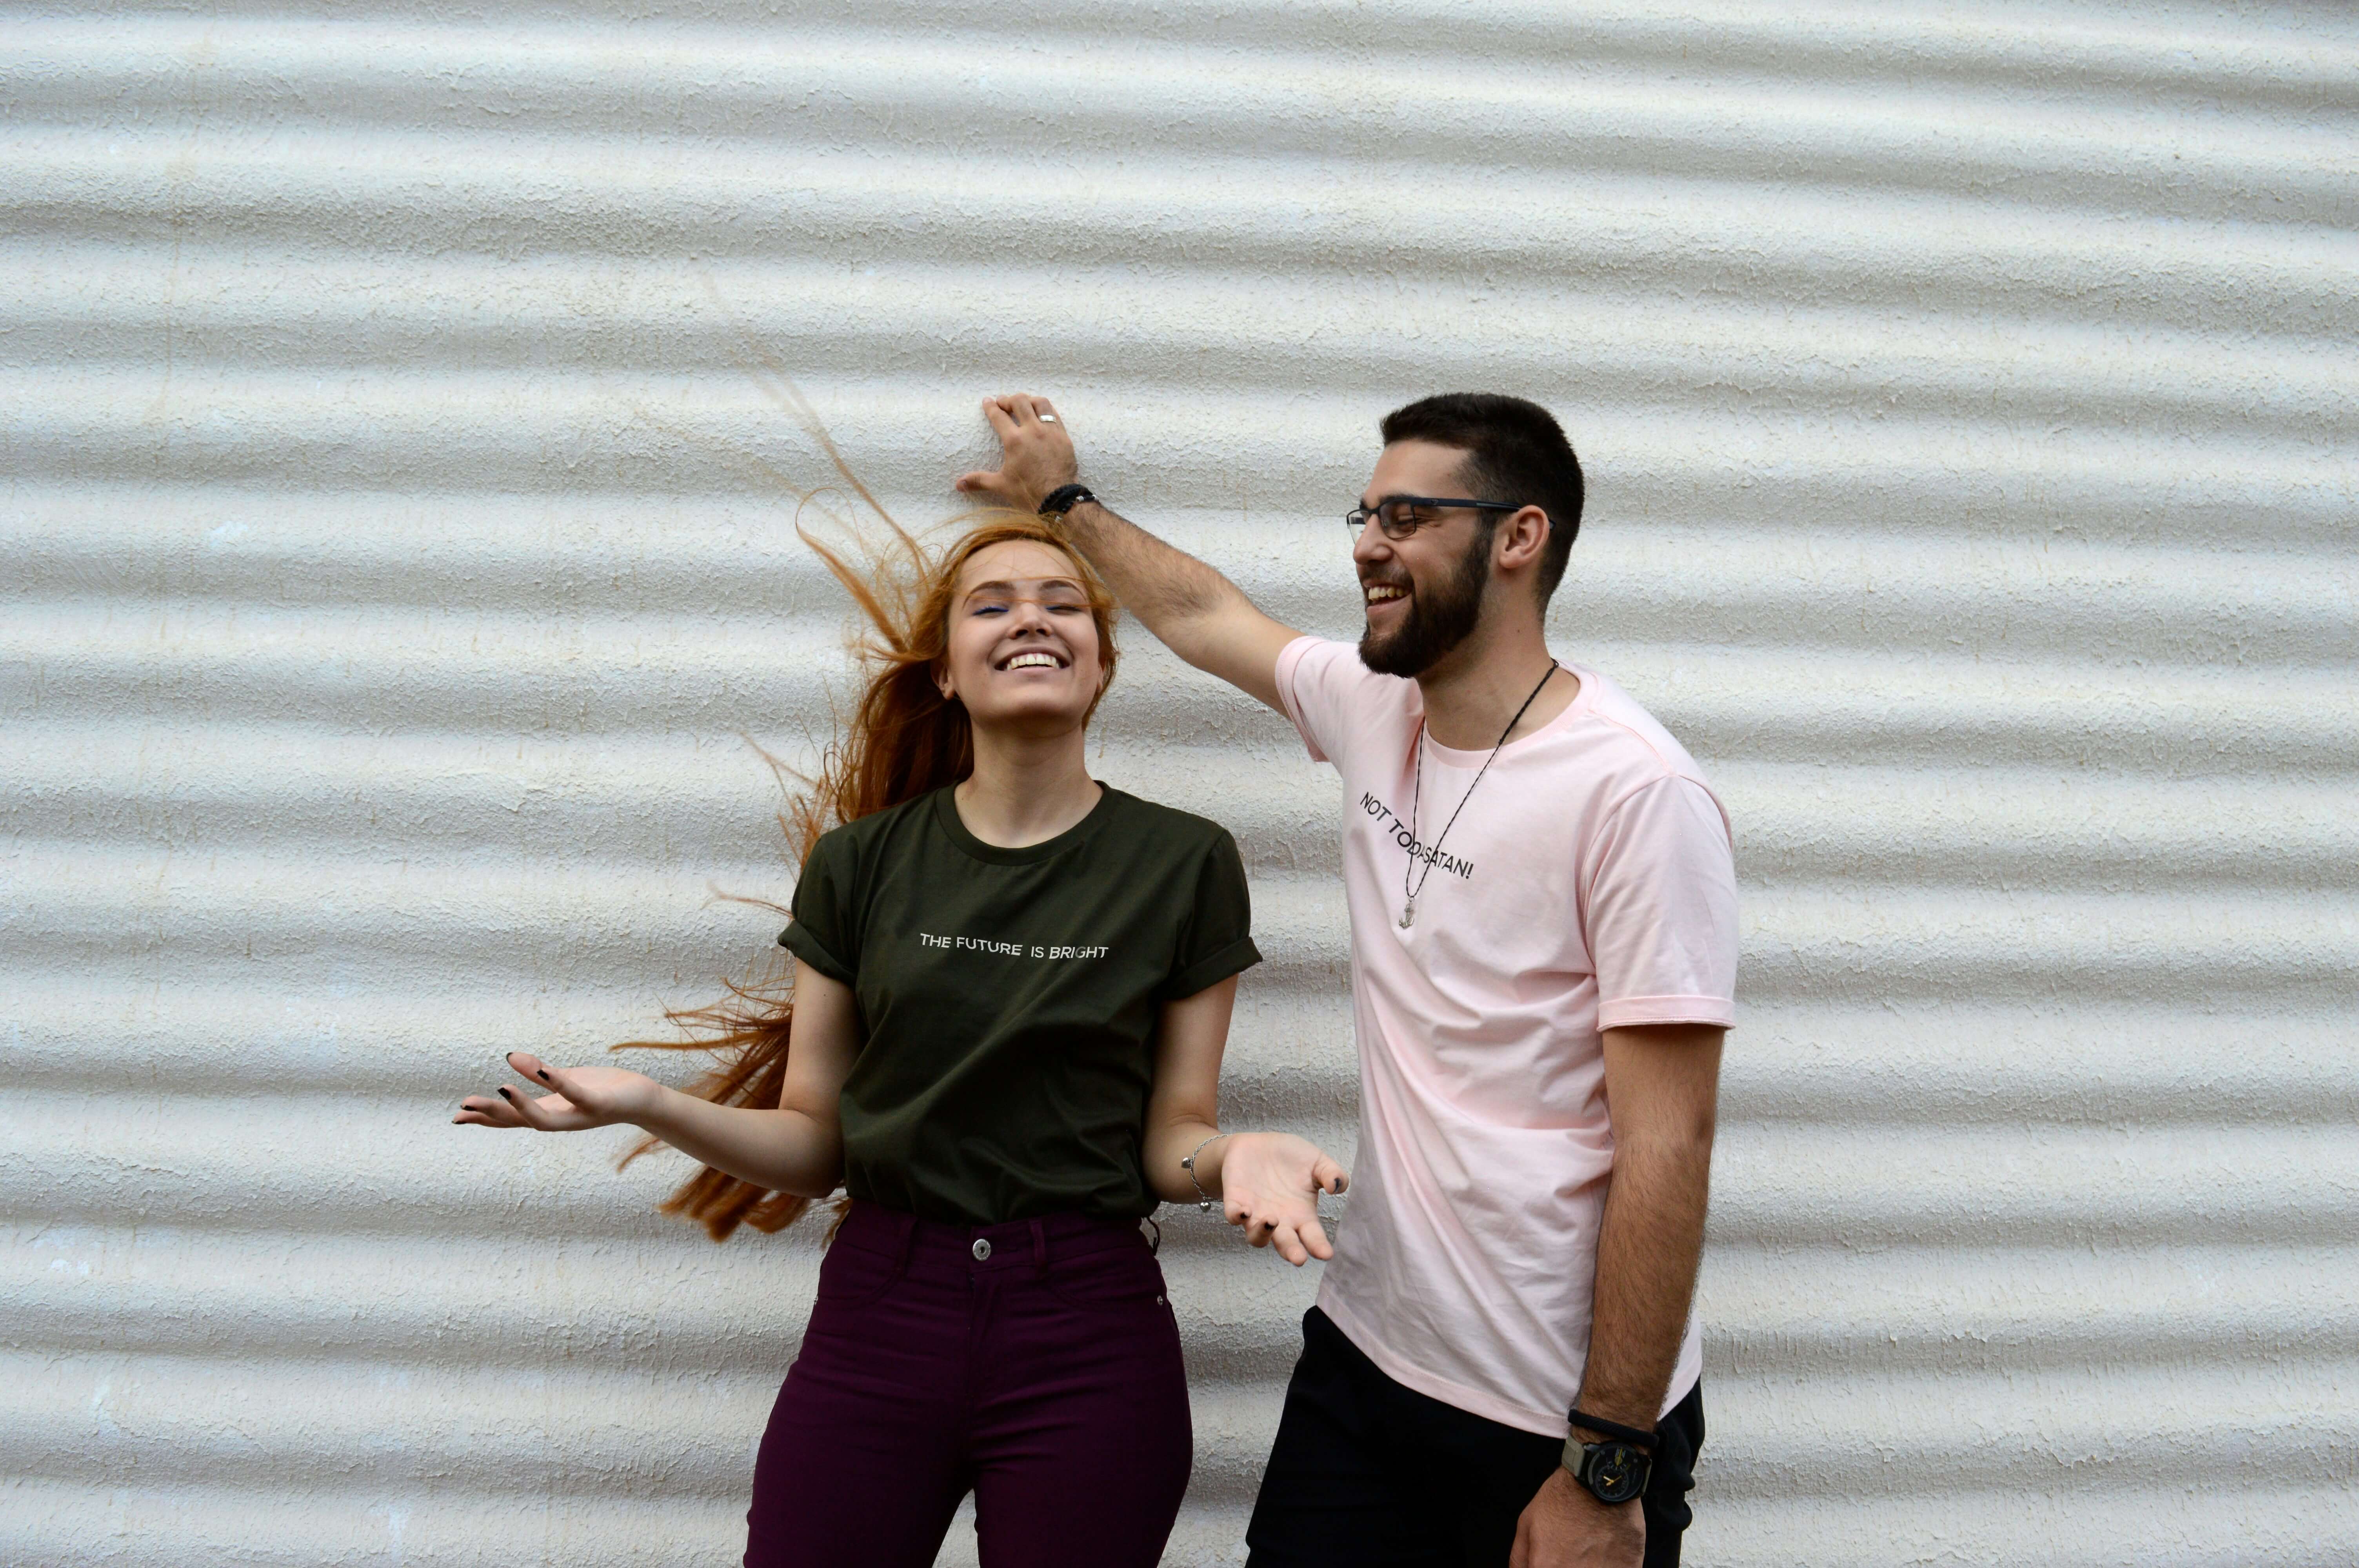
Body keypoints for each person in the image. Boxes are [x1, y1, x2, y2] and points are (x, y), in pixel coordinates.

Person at [455, 501, 1349, 1568]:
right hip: (881, 1314)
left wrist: (1233, 1156)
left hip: (1086, 1329)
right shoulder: (859, 863)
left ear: (1103, 665)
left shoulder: (1184, 861)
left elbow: (1174, 1136)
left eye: (1064, 604)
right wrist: (648, 1104)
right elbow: (814, 1145)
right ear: (945, 672)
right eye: (992, 606)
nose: (1033, 619)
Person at [955, 392, 1738, 1568]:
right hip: (1368, 1361)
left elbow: (1670, 1145)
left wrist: (1609, 1460)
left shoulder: (1635, 793)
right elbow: (1204, 614)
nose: (1368, 545)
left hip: (1554, 1417)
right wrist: (1064, 503)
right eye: (1365, 515)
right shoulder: (1376, 706)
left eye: (1408, 518)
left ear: (1520, 537)